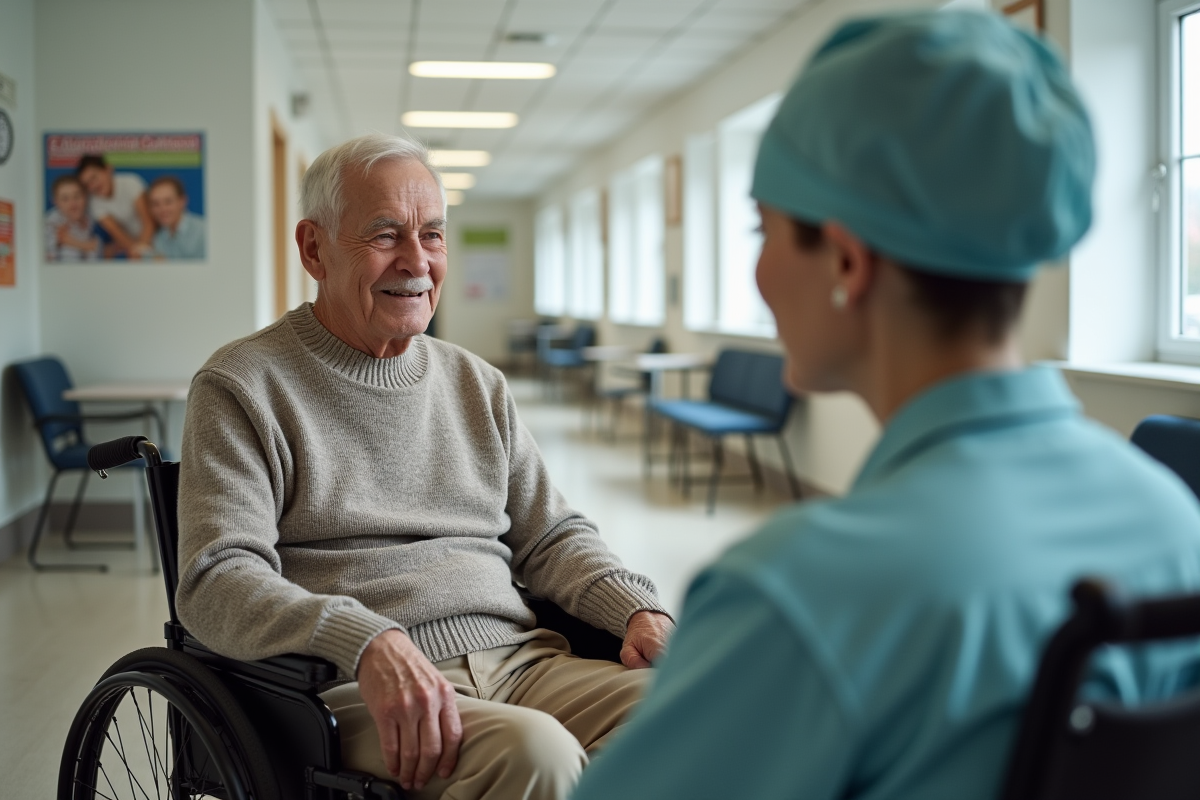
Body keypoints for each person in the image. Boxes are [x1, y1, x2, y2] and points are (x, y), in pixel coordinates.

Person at [573, 11, 1200, 800]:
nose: (760, 277)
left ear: (846, 260)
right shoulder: (1172, 521)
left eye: (761, 232)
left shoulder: (802, 594)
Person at [176, 133, 675, 800]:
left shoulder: (478, 384)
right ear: (313, 248)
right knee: (539, 755)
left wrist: (638, 609)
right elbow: (216, 579)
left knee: (684, 716)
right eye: (386, 234)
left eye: (433, 235)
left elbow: (552, 535)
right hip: (349, 684)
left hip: (520, 661)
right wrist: (363, 639)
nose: (417, 261)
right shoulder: (244, 385)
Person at [76, 153, 154, 258]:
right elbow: (120, 236)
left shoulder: (130, 182)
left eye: (94, 177)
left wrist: (144, 250)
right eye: (87, 184)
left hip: (156, 235)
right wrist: (137, 251)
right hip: (133, 244)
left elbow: (148, 223)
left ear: (108, 169)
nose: (93, 186)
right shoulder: (95, 204)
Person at [44, 174, 101, 261]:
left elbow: (106, 248)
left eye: (77, 196)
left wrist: (69, 241)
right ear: (55, 202)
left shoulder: (94, 215)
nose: (73, 203)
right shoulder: (49, 224)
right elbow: (47, 260)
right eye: (65, 199)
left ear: (85, 196)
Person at [147, 175, 205, 259]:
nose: (162, 209)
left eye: (168, 202)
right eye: (156, 204)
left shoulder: (204, 232)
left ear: (182, 201)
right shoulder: (158, 238)